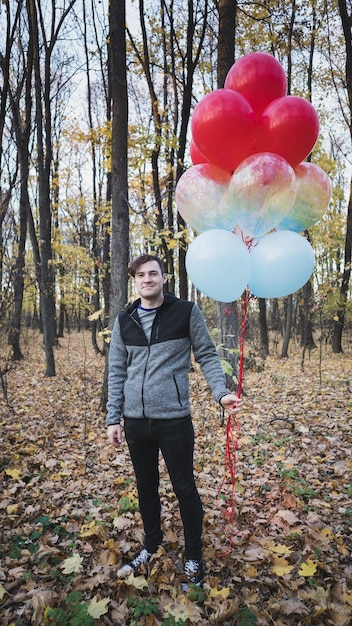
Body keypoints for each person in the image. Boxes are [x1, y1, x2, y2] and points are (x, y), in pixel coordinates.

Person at [106, 254, 241, 591]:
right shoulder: (125, 321)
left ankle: (193, 555)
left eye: (154, 273)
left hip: (174, 420)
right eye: (141, 275)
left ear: (164, 278)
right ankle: (151, 546)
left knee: (184, 488)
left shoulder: (185, 312)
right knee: (146, 489)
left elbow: (207, 354)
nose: (147, 279)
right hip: (136, 422)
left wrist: (220, 393)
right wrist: (114, 418)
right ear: (134, 281)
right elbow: (117, 371)